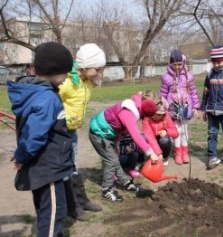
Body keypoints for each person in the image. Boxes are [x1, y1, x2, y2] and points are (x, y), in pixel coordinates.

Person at [7, 42, 74, 237]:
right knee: (55, 212)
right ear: (54, 71)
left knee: (47, 211)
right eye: (65, 73)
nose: (67, 78)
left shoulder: (36, 93)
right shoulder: (47, 98)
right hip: (48, 167)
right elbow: (34, 134)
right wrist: (22, 156)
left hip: (43, 166)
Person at [59, 44, 105, 221]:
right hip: (61, 131)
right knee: (65, 167)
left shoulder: (86, 81)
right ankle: (72, 206)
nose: (100, 72)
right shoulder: (68, 81)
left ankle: (82, 200)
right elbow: (52, 101)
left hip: (72, 131)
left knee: (74, 165)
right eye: (97, 69)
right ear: (85, 66)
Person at [89, 90, 161, 202]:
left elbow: (118, 126)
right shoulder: (129, 112)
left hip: (108, 133)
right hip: (99, 134)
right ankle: (107, 189)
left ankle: (126, 182)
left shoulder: (135, 109)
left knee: (114, 160)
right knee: (111, 161)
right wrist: (150, 153)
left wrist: (117, 143)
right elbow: (136, 135)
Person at [160, 49, 200, 165]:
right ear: (171, 64)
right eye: (175, 65)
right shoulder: (166, 78)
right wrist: (163, 109)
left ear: (183, 63)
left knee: (184, 131)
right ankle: (178, 152)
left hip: (186, 108)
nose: (177, 67)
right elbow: (162, 95)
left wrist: (196, 107)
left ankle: (185, 152)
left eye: (179, 64)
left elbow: (193, 92)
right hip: (173, 109)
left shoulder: (189, 77)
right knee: (177, 131)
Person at [142, 93, 179, 166]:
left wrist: (166, 131)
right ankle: (143, 159)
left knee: (165, 140)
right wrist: (159, 153)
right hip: (151, 141)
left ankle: (164, 157)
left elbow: (176, 133)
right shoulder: (147, 118)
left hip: (160, 140)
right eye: (155, 114)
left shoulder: (166, 116)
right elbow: (150, 137)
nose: (157, 116)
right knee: (143, 137)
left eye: (160, 114)